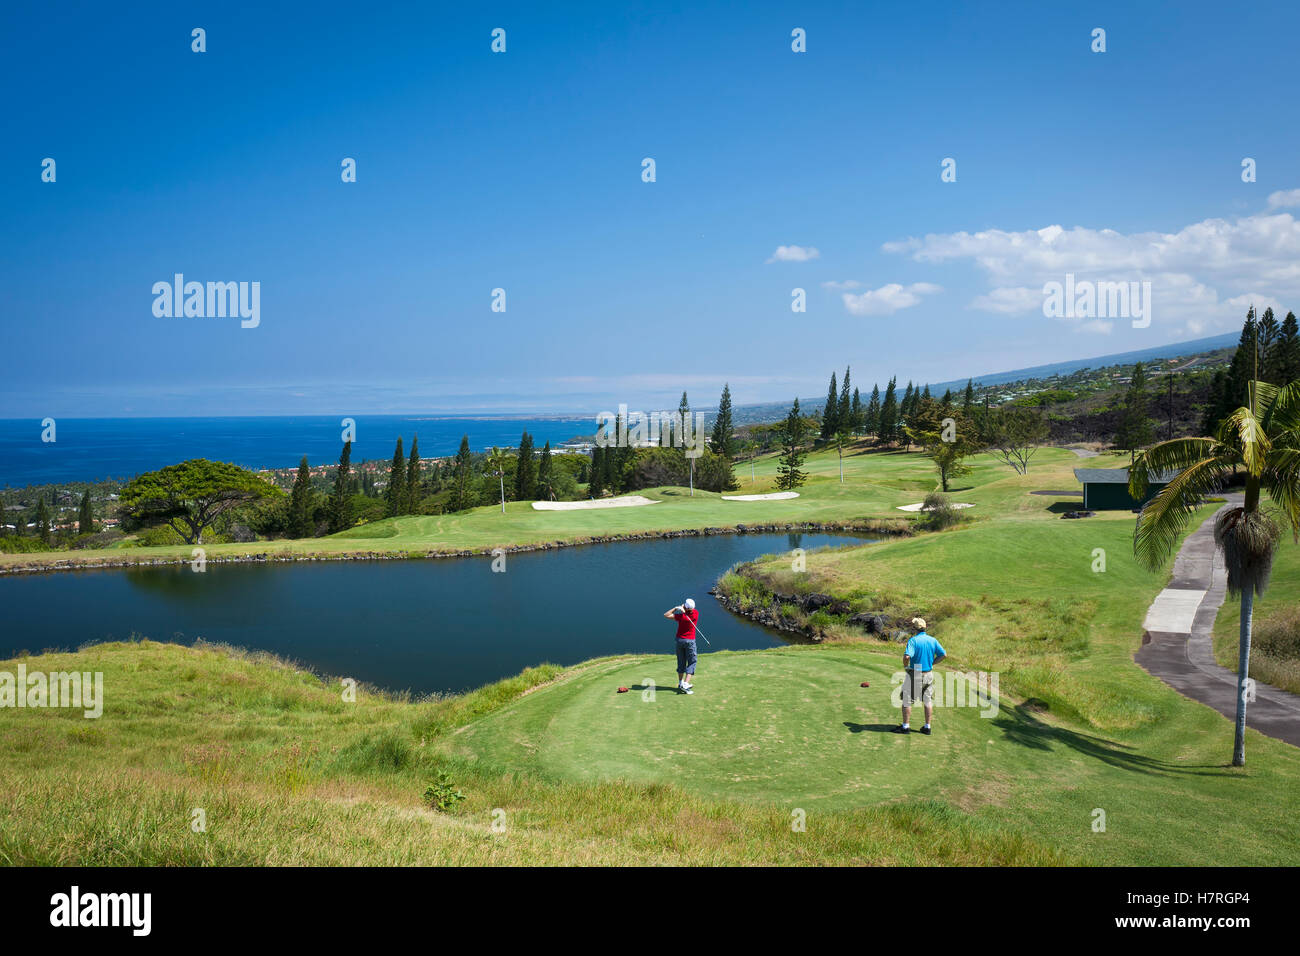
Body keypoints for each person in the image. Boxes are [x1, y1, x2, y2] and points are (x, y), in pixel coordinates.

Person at [895, 617, 945, 735]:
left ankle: (905, 726)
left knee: (907, 700)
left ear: (914, 628)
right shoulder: (933, 640)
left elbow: (907, 656)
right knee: (927, 701)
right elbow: (943, 654)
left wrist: (906, 667)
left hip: (916, 671)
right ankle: (927, 727)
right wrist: (932, 662)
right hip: (929, 673)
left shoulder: (913, 641)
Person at [663, 598, 698, 694]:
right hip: (690, 641)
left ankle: (681, 683)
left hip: (680, 641)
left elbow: (666, 615)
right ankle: (685, 684)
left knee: (681, 661)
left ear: (685, 607)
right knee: (692, 662)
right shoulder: (695, 613)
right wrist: (684, 610)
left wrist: (676, 608)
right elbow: (689, 613)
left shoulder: (681, 616)